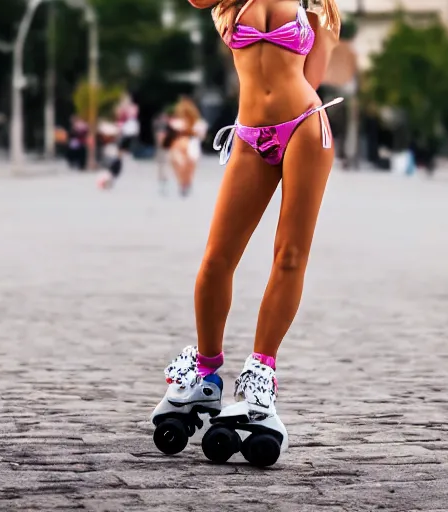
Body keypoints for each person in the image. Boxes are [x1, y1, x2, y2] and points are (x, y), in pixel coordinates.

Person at [150, 0, 342, 467]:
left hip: (304, 127)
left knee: (290, 255)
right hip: (251, 135)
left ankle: (260, 375)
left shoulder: (316, 5)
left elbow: (311, 78)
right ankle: (206, 372)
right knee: (217, 259)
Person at [165, 97, 208, 197]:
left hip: (189, 146)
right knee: (185, 166)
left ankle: (185, 183)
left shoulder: (196, 124)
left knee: (186, 166)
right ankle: (184, 183)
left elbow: (201, 135)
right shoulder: (178, 123)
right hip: (182, 147)